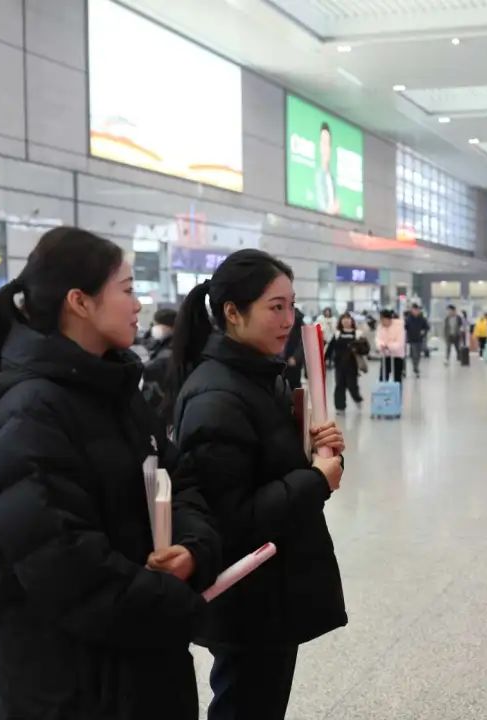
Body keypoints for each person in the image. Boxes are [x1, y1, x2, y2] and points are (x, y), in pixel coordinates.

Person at [0, 227, 221, 720]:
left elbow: (178, 479)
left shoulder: (118, 392)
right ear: (79, 302)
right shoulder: (30, 415)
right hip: (72, 688)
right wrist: (172, 601)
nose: (138, 304)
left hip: (141, 666)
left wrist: (193, 550)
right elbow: (61, 563)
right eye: (127, 289)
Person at [164, 250, 348, 720]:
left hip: (271, 591)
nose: (289, 319)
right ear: (233, 312)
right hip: (247, 599)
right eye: (276, 307)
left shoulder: (260, 377)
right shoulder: (218, 396)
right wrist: (315, 479)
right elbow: (229, 518)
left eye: (292, 305)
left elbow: (268, 467)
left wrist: (315, 448)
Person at [142, 307, 177, 422]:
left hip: (165, 407)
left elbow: (152, 368)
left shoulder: (170, 351)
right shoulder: (163, 344)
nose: (155, 328)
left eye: (158, 324)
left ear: (170, 327)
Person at [328, 312, 364, 413]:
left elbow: (364, 348)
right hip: (339, 364)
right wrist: (324, 358)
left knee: (352, 385)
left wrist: (358, 348)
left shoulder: (357, 334)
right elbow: (330, 348)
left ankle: (357, 399)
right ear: (341, 322)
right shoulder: (337, 334)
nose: (346, 321)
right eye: (344, 319)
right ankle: (340, 407)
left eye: (348, 319)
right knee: (339, 385)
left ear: (351, 321)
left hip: (352, 365)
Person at [314, 123, 340, 215]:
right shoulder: (318, 176)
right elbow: (322, 209)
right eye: (324, 143)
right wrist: (333, 210)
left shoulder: (332, 178)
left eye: (328, 144)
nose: (326, 148)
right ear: (320, 146)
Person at [376, 309, 406, 384]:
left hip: (397, 356)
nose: (382, 322)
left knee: (397, 378)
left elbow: (400, 342)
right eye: (381, 319)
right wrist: (381, 345)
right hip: (385, 355)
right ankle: (383, 390)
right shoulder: (380, 327)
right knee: (383, 377)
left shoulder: (399, 327)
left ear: (389, 319)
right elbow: (378, 339)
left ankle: (397, 391)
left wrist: (388, 346)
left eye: (383, 320)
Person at [281, 306, 306, 390]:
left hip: (293, 361)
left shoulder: (299, 323)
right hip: (280, 360)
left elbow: (303, 343)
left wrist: (296, 357)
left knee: (293, 386)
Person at [404, 303, 429, 378]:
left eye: (416, 310)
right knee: (414, 354)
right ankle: (415, 367)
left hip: (420, 339)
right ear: (412, 310)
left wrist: (424, 331)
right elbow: (405, 327)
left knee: (418, 354)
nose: (415, 311)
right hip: (412, 339)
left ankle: (416, 366)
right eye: (414, 310)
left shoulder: (422, 319)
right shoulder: (408, 319)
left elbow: (427, 327)